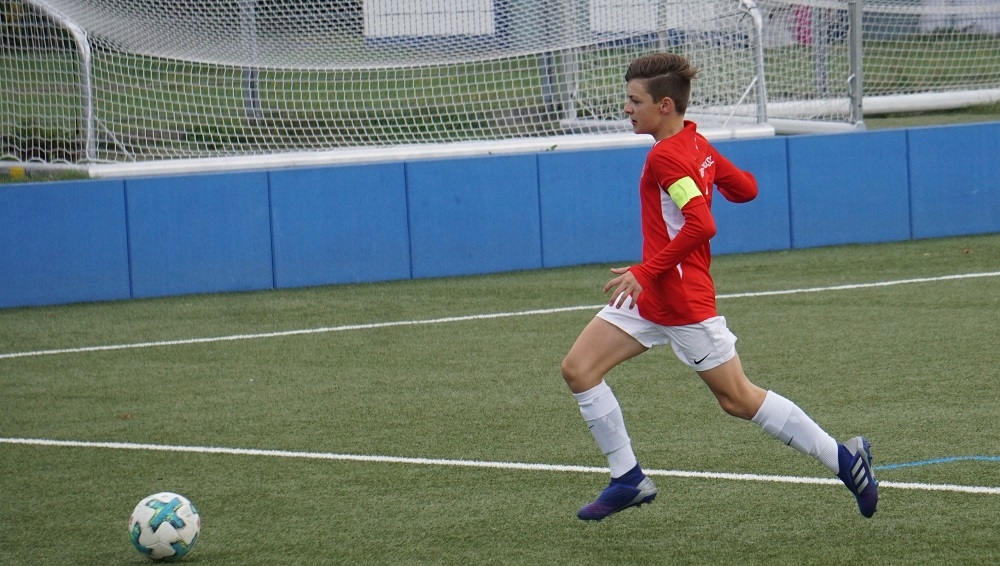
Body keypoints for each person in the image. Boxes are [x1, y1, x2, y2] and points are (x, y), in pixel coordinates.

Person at [561, 52, 879, 521]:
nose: (626, 108)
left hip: (681, 301)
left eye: (634, 101)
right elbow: (746, 188)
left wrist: (645, 270)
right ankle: (627, 478)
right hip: (651, 298)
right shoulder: (693, 143)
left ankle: (845, 460)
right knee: (579, 369)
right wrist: (710, 173)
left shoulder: (666, 156)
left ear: (664, 105)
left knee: (738, 399)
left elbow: (701, 224)